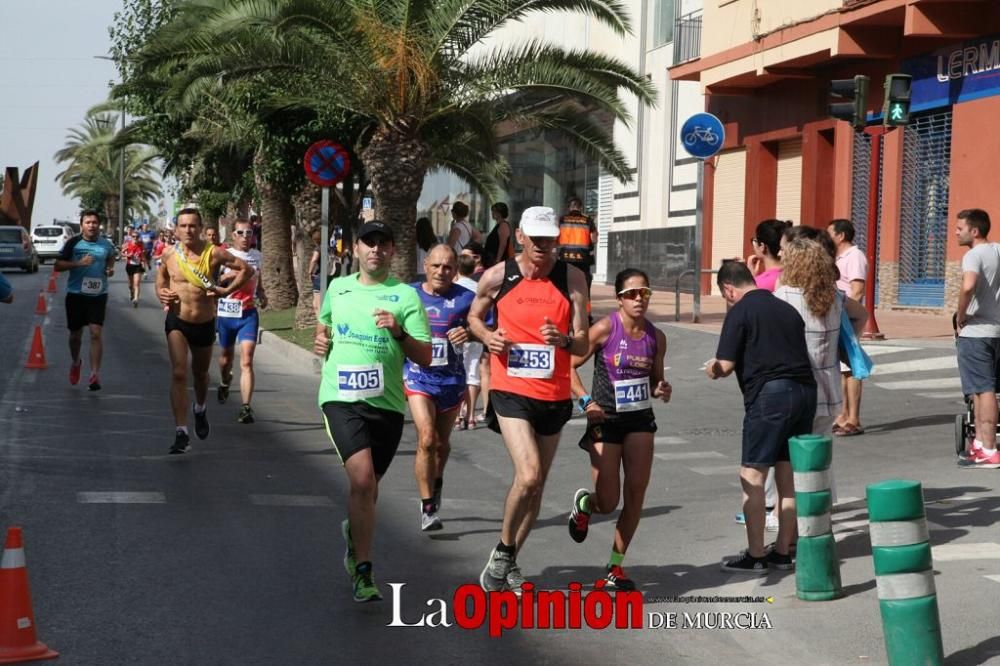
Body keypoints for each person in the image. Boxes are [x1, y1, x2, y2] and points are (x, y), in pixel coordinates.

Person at [468, 206, 589, 594]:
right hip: (510, 389)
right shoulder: (498, 276)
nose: (542, 245)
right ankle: (503, 550)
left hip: (553, 395)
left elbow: (583, 338)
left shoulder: (572, 278)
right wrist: (488, 338)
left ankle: (510, 560)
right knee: (530, 474)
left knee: (537, 486)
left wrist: (565, 340)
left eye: (549, 238)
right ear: (519, 236)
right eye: (535, 238)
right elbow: (474, 317)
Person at [313, 220, 432, 602]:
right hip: (341, 398)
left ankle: (354, 532)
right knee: (363, 480)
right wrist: (320, 338)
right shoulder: (338, 288)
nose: (375, 250)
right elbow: (325, 326)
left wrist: (398, 332)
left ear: (393, 251)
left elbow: (425, 356)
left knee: (370, 488)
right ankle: (363, 571)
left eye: (383, 244)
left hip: (388, 406)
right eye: (369, 243)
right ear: (356, 248)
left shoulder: (406, 297)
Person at [705, 261, 816, 574]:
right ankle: (782, 551)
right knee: (787, 477)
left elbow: (725, 365)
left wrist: (712, 368)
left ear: (729, 289)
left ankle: (755, 555)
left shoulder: (740, 311)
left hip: (770, 396)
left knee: (752, 476)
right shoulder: (787, 310)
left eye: (725, 296)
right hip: (806, 393)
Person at [566, 268, 671, 591]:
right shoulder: (604, 329)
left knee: (636, 493)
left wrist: (662, 388)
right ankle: (586, 505)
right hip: (605, 420)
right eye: (632, 294)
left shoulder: (656, 337)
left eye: (644, 293)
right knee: (609, 502)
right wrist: (586, 402)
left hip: (640, 420)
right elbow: (568, 368)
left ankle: (614, 567)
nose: (639, 299)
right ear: (619, 299)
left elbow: (655, 382)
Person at [775, 234, 868, 509]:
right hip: (827, 390)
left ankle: (791, 512)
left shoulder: (782, 297)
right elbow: (861, 315)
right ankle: (822, 508)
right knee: (819, 455)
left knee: (788, 457)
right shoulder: (836, 297)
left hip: (794, 388)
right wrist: (845, 341)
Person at [157, 208, 250, 455]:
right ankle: (181, 432)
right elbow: (161, 279)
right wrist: (162, 293)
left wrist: (225, 291)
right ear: (176, 229)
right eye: (183, 226)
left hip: (204, 322)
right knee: (178, 373)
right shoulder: (169, 254)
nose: (188, 230)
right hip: (177, 320)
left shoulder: (214, 253)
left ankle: (199, 409)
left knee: (200, 375)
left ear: (200, 228)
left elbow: (246, 270)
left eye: (193, 226)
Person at [405, 244, 476, 531]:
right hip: (418, 377)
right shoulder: (409, 294)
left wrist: (469, 331)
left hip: (452, 380)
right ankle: (427, 507)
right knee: (426, 437)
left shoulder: (467, 298)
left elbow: (490, 327)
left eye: (447, 266)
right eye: (436, 265)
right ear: (426, 265)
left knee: (441, 444)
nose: (441, 271)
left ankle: (436, 481)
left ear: (455, 270)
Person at [954, 209, 1000, 467]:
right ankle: (981, 444)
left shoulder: (973, 255)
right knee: (990, 389)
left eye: (960, 227)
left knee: (983, 390)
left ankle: (989, 448)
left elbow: (968, 286)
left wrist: (962, 314)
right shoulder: (998, 251)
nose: (956, 231)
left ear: (975, 230)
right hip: (997, 331)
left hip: (977, 331)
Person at [54, 210, 117, 391]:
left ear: (99, 225)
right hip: (76, 294)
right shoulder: (73, 243)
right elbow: (58, 265)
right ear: (82, 225)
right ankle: (76, 362)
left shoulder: (106, 244)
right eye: (88, 222)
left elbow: (111, 258)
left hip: (98, 295)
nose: (91, 225)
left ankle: (94, 374)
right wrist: (78, 263)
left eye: (95, 222)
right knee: (75, 335)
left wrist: (110, 269)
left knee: (96, 332)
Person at [216, 219, 268, 424]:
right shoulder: (224, 256)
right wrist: (226, 276)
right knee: (226, 358)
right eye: (241, 232)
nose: (246, 237)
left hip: (248, 313)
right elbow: (213, 282)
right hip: (227, 314)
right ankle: (224, 380)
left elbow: (258, 280)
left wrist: (262, 294)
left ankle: (246, 407)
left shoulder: (257, 256)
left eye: (249, 233)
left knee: (246, 360)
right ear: (233, 235)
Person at [826, 219, 868, 437]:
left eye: (830, 233)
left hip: (848, 318)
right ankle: (843, 414)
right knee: (843, 369)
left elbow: (857, 289)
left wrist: (844, 314)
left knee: (852, 368)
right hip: (838, 315)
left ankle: (854, 418)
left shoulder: (855, 256)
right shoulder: (839, 257)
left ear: (840, 236)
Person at [456, 255, 485, 430]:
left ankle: (459, 415)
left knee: (459, 373)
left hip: (457, 334)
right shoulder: (479, 288)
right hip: (476, 333)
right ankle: (472, 416)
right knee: (473, 373)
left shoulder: (454, 288)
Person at [557, 197, 598, 295]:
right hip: (583, 259)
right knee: (584, 287)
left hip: (565, 258)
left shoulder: (561, 220)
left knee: (564, 286)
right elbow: (594, 239)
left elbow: (555, 239)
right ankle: (586, 308)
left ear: (569, 208)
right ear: (581, 208)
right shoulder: (588, 220)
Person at [746, 219, 790, 291]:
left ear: (762, 246)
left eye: (755, 241)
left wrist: (750, 280)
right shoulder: (793, 276)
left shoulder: (757, 285)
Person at [483, 202, 515, 269]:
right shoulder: (498, 225)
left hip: (497, 261)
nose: (492, 213)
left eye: (494, 211)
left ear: (500, 213)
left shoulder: (503, 225)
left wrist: (498, 260)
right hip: (491, 260)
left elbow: (502, 244)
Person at [121, 230, 147, 307]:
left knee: (137, 283)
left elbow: (143, 256)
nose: (135, 238)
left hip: (138, 266)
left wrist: (144, 266)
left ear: (139, 237)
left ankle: (136, 299)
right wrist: (128, 255)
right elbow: (121, 253)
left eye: (137, 236)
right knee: (130, 284)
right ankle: (131, 292)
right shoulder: (128, 244)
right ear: (131, 237)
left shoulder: (141, 245)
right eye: (133, 236)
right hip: (129, 266)